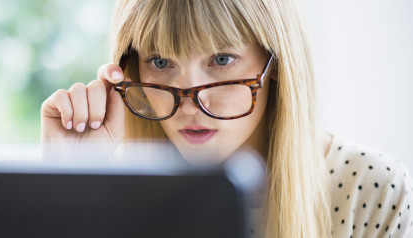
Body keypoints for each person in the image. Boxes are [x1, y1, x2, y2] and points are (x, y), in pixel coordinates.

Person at [40, 0, 413, 237]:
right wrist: (71, 183)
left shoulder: (371, 189)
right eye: (159, 62)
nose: (190, 102)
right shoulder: (117, 197)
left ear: (277, 63)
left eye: (220, 60)